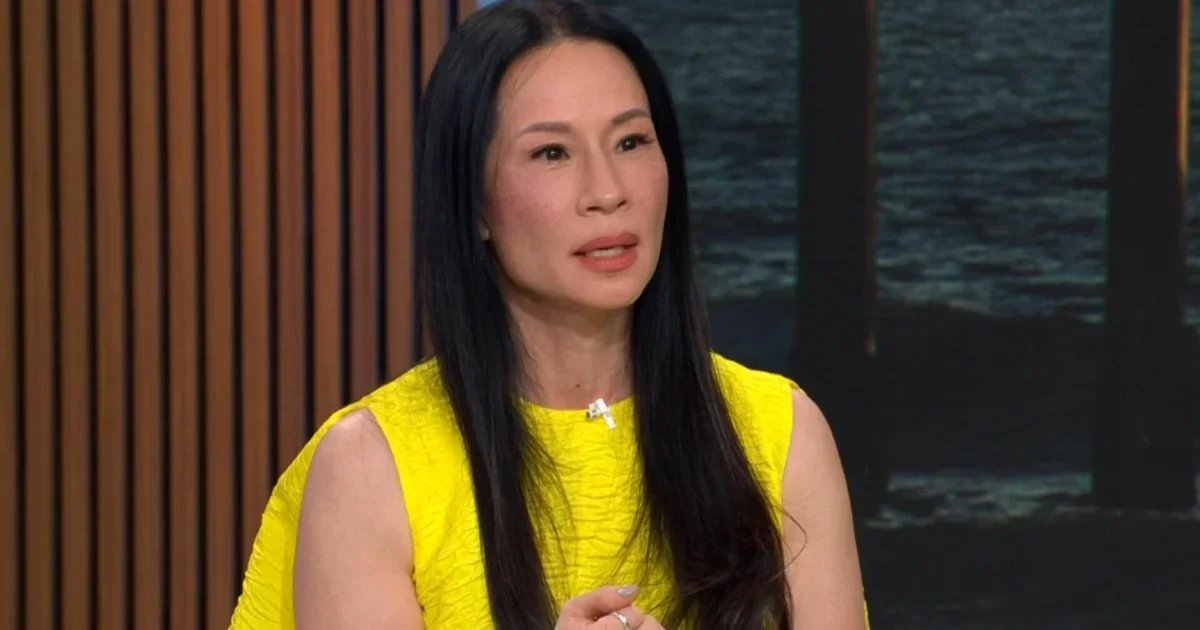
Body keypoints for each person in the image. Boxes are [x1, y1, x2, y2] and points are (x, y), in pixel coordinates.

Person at [231, 1, 867, 628]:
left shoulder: (782, 436)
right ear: (473, 203)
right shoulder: (370, 469)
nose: (608, 191)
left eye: (631, 142)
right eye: (552, 154)